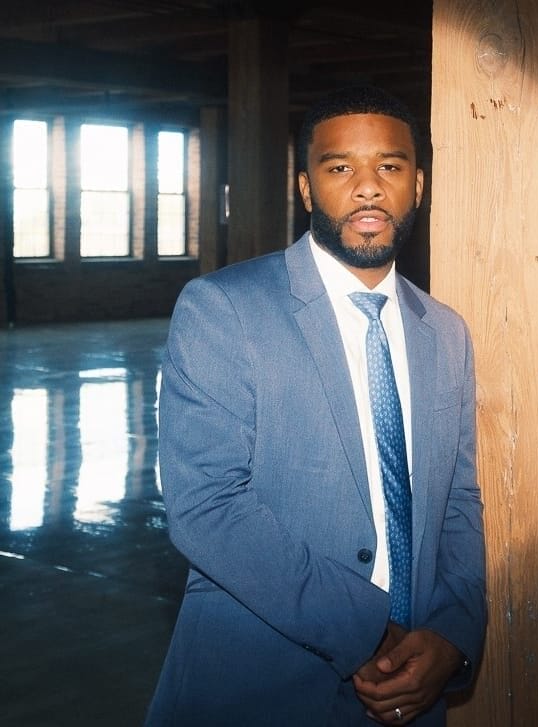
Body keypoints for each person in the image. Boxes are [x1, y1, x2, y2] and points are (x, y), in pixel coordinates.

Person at [145, 85, 486, 726]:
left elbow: (459, 500)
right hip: (258, 683)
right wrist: (366, 630)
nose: (367, 188)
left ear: (419, 185)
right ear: (306, 189)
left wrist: (452, 633)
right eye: (339, 168)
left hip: (416, 684)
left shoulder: (445, 331)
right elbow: (206, 505)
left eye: (390, 166)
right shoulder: (223, 307)